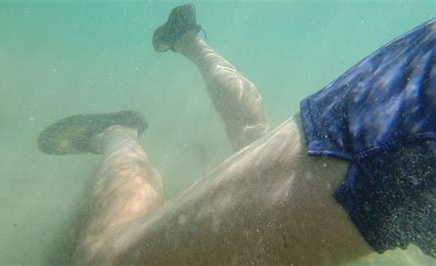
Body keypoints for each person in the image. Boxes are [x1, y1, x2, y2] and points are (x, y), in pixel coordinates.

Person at [37, 4, 435, 265]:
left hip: (402, 97)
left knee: (252, 136)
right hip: (397, 142)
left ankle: (186, 39)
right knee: (107, 258)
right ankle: (116, 133)